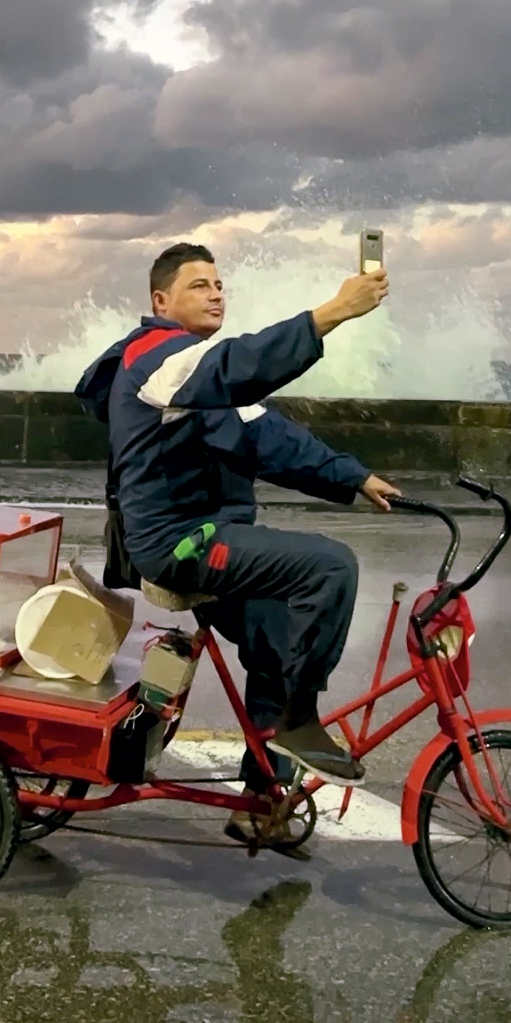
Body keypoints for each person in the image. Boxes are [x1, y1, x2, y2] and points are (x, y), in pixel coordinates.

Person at [75, 243, 398, 831]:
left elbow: (269, 437)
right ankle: (300, 720)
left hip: (208, 537)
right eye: (199, 285)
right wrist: (332, 313)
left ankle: (262, 799)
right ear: (160, 300)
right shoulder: (155, 358)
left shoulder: (201, 376)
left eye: (219, 283)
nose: (216, 292)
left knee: (279, 638)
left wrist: (354, 477)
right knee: (330, 567)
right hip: (178, 543)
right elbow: (236, 364)